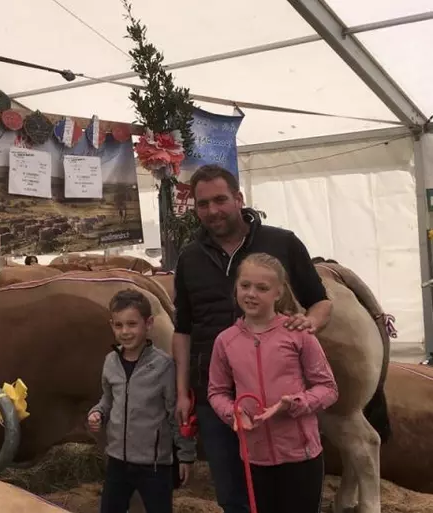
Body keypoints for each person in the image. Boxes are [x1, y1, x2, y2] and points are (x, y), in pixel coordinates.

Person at [171, 164, 333, 513]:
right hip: (215, 397)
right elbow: (183, 328)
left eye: (220, 200)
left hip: (276, 394)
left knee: (284, 490)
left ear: (238, 198)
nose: (212, 211)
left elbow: (320, 301)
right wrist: (182, 391)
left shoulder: (282, 242)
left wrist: (309, 326)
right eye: (203, 204)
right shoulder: (189, 257)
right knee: (232, 493)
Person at [208, 253, 338, 513]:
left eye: (262, 288)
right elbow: (217, 391)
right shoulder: (226, 341)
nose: (251, 294)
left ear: (278, 292)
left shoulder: (298, 335)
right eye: (245, 286)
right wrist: (233, 413)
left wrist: (294, 404)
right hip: (254, 457)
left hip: (301, 456)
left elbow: (328, 388)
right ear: (236, 287)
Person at [88, 289, 195, 513]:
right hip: (117, 460)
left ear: (148, 324)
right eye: (119, 325)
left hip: (154, 466)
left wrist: (185, 456)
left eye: (132, 324)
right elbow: (107, 400)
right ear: (111, 325)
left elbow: (175, 413)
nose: (125, 332)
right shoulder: (110, 362)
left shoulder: (164, 366)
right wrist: (98, 413)